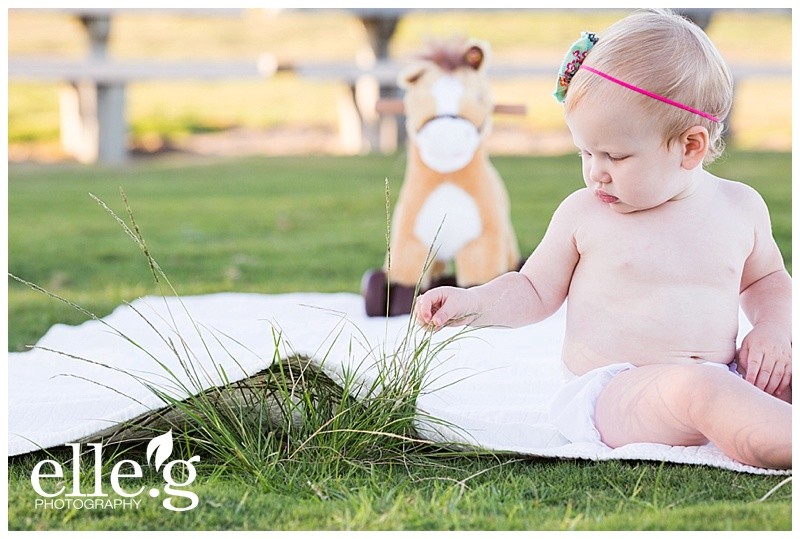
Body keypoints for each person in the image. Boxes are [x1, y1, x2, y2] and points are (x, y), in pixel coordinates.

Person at [414, 9, 791, 469]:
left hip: (723, 371)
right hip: (616, 391)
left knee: (766, 375)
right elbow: (532, 290)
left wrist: (772, 331)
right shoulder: (584, 215)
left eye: (615, 155)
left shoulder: (739, 207)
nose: (596, 172)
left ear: (690, 147)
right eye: (585, 152)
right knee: (703, 392)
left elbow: (767, 280)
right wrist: (469, 304)